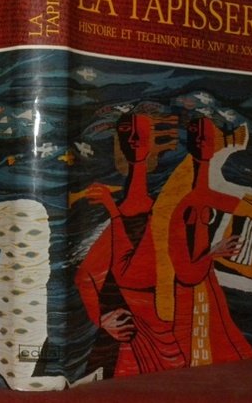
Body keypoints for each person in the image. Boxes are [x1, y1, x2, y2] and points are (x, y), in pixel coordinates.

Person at [168, 117, 252, 366]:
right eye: (195, 134)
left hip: (211, 292)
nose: (201, 139)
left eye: (206, 135)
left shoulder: (212, 196)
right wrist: (213, 253)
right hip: (192, 299)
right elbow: (186, 274)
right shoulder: (186, 204)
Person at [74, 113, 185, 377]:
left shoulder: (161, 212)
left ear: (153, 140)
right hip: (130, 334)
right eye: (126, 132)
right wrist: (100, 320)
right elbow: (86, 277)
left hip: (160, 330)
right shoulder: (146, 214)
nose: (133, 139)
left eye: (140, 133)